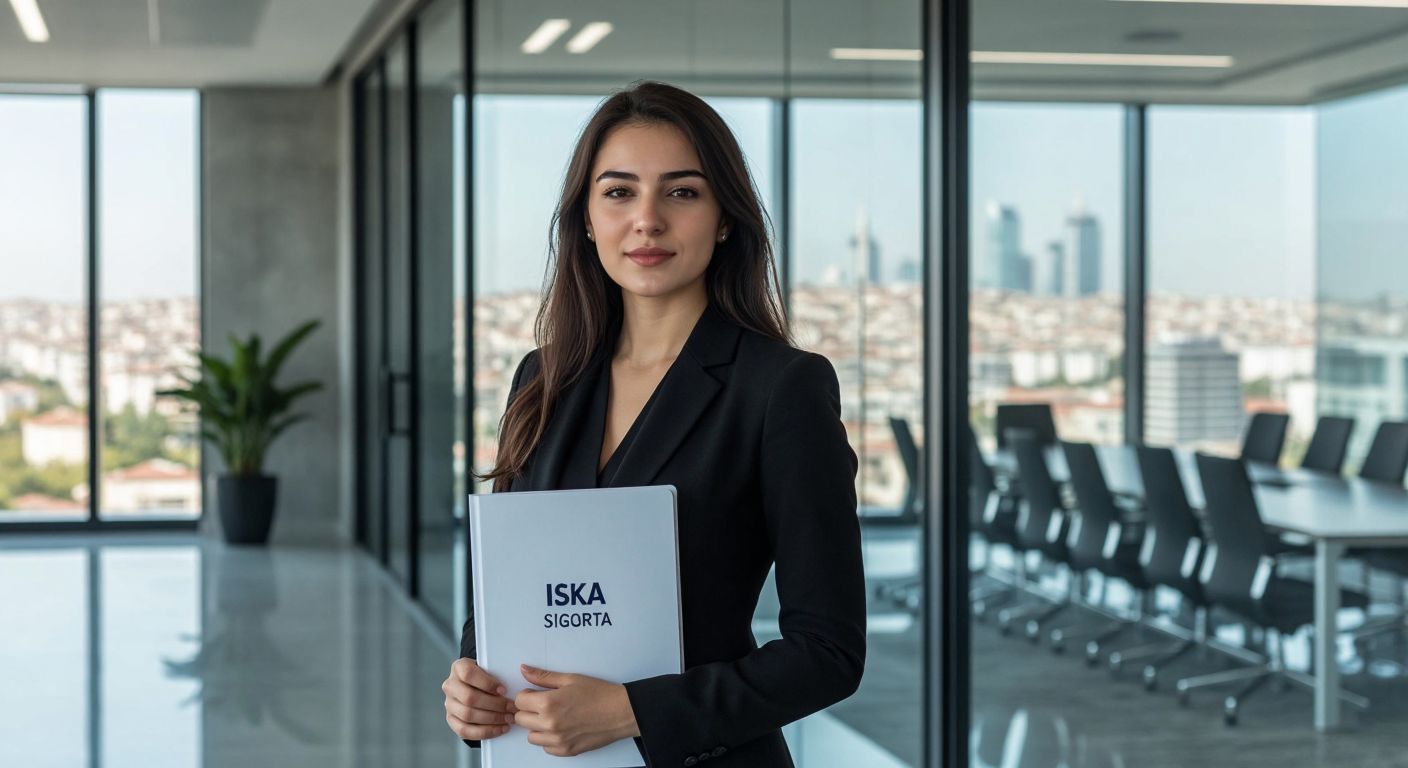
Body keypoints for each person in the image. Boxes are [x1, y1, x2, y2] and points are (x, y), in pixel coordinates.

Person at [440, 80, 865, 768]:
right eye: (618, 192)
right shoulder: (543, 379)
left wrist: (634, 712)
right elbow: (510, 586)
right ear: (584, 216)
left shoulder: (780, 388)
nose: (647, 220)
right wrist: (472, 681)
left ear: (725, 217)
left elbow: (829, 651)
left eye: (682, 192)